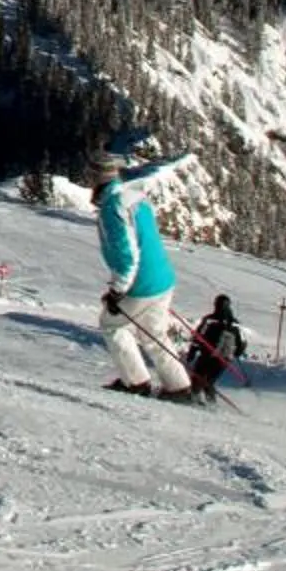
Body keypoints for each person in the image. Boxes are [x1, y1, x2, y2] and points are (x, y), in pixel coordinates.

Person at [92, 143, 193, 400]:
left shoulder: (113, 207)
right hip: (163, 279)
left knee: (112, 325)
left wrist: (117, 291)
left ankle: (136, 383)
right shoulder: (134, 195)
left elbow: (127, 256)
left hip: (142, 283)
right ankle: (179, 387)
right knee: (155, 333)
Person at [184, 292, 246, 401]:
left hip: (208, 354)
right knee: (209, 381)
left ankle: (194, 398)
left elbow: (198, 337)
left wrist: (192, 352)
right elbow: (242, 342)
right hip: (224, 358)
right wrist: (237, 353)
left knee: (198, 377)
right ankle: (210, 401)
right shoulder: (235, 323)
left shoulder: (209, 319)